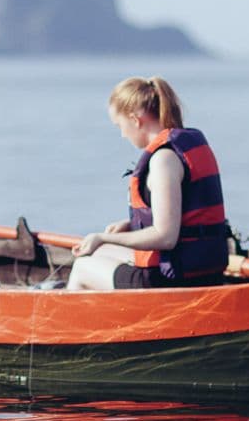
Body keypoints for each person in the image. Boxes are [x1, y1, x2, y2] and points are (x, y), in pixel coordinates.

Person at [67, 76, 231, 291]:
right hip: (201, 268)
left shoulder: (164, 160)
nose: (123, 135)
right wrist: (129, 227)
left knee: (82, 266)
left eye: (120, 126)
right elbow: (179, 218)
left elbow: (165, 237)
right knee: (98, 251)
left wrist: (101, 237)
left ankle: (79, 323)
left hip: (175, 279)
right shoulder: (182, 147)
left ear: (136, 120)